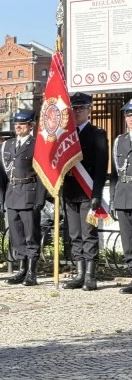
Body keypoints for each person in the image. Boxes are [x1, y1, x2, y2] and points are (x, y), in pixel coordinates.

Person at [62, 92, 109, 291]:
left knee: (89, 233)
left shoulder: (97, 133)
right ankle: (79, 273)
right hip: (70, 192)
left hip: (87, 191)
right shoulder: (65, 135)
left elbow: (100, 167)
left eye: (82, 108)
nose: (78, 112)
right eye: (75, 108)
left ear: (89, 110)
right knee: (74, 234)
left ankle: (90, 275)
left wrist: (97, 193)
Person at [0, 110, 46, 286]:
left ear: (30, 126)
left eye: (22, 124)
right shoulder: (7, 145)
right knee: (16, 236)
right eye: (16, 124)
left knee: (31, 235)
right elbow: (1, 173)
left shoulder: (37, 145)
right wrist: (0, 195)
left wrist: (40, 199)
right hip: (11, 193)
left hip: (29, 193)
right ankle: (21, 269)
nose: (18, 127)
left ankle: (32, 272)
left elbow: (41, 174)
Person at [110, 99, 132, 294]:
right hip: (124, 195)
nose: (130, 118)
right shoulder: (120, 141)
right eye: (128, 115)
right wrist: (113, 197)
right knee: (127, 240)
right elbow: (115, 174)